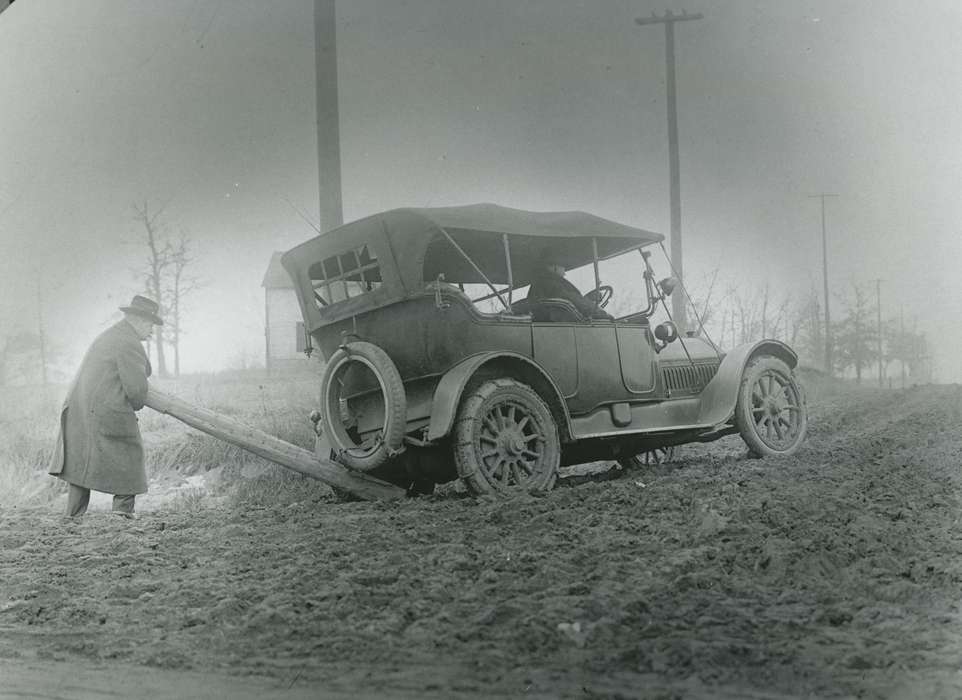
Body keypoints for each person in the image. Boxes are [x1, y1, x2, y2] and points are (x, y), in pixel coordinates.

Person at [49, 295, 163, 518]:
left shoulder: (113, 335)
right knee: (131, 458)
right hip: (103, 412)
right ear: (137, 320)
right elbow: (137, 392)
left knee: (81, 463)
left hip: (80, 411)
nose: (151, 331)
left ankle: (73, 518)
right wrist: (138, 400)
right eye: (150, 324)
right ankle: (122, 517)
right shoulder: (128, 343)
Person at [526, 252, 613, 320]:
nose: (564, 273)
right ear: (554, 267)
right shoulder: (551, 283)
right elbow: (570, 299)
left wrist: (587, 299)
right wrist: (600, 313)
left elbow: (570, 299)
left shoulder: (541, 283)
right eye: (563, 267)